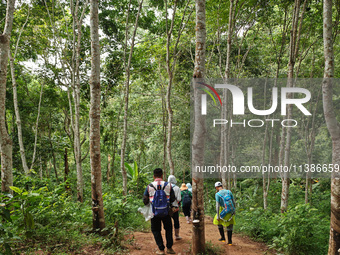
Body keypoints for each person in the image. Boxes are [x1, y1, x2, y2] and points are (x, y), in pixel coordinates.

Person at [143, 168, 176, 254]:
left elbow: (145, 200)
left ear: (154, 176)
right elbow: (172, 199)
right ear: (162, 175)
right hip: (167, 212)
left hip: (154, 213)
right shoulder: (168, 185)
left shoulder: (149, 186)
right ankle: (169, 248)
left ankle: (161, 249)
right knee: (168, 229)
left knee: (156, 230)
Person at [168, 175, 182, 240]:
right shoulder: (177, 188)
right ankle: (177, 235)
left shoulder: (166, 187)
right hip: (175, 208)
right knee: (176, 221)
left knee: (168, 222)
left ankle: (169, 236)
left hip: (167, 207)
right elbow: (179, 199)